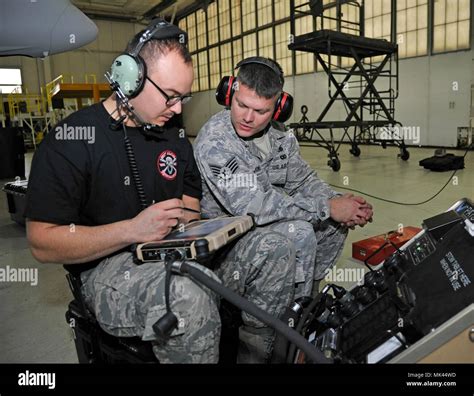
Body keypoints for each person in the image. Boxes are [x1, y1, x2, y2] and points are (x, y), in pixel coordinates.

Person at [25, 19, 221, 363]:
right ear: (130, 79)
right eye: (171, 97)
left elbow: (190, 204)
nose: (178, 109)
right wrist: (132, 230)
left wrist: (199, 230)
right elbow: (41, 241)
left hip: (170, 249)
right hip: (104, 269)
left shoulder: (173, 134)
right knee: (187, 296)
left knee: (271, 246)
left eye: (183, 98)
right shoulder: (72, 139)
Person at [193, 57, 373, 361]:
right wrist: (328, 207)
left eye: (260, 110)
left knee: (331, 225)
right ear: (229, 93)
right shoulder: (216, 141)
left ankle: (302, 309)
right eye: (240, 104)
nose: (247, 117)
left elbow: (303, 180)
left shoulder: (280, 137)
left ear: (278, 107)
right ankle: (257, 344)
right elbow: (256, 205)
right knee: (299, 230)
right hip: (224, 250)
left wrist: (341, 201)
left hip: (265, 232)